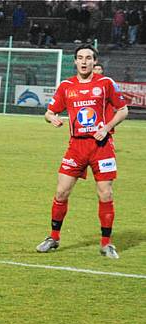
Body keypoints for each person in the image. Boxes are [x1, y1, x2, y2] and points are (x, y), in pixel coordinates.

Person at [37, 44, 128, 259]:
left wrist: (106, 128)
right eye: (80, 57)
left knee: (105, 193)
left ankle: (106, 244)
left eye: (88, 57)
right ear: (75, 61)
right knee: (61, 192)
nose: (84, 61)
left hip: (101, 146)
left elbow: (123, 110)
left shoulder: (106, 84)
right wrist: (53, 119)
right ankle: (53, 237)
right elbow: (48, 112)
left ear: (95, 62)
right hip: (76, 146)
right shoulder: (66, 85)